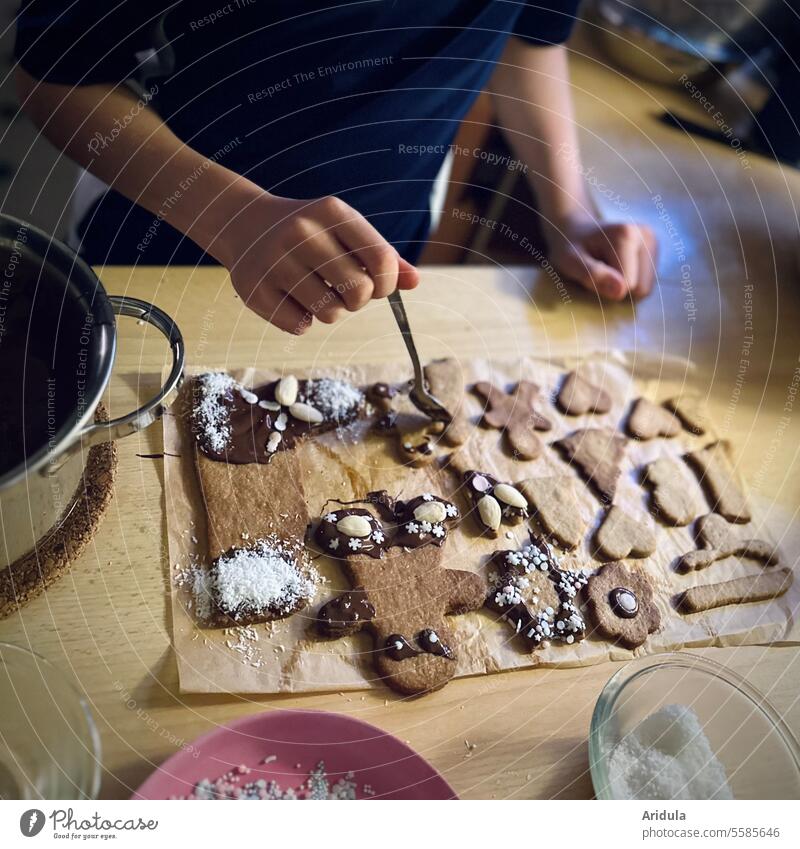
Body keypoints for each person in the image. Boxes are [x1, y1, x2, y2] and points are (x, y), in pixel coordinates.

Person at [14, 1, 656, 335]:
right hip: (160, 249)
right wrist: (234, 217)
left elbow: (529, 38)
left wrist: (570, 212)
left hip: (377, 265)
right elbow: (53, 80)